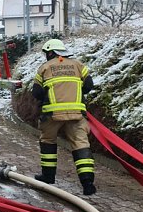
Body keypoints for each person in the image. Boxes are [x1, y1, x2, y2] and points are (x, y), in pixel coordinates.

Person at [30, 38, 97, 195]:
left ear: (51, 52)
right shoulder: (78, 65)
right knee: (81, 144)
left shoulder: (45, 68)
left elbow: (37, 92)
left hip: (52, 115)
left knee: (48, 142)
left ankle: (48, 177)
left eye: (47, 53)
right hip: (76, 114)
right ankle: (87, 183)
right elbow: (89, 85)